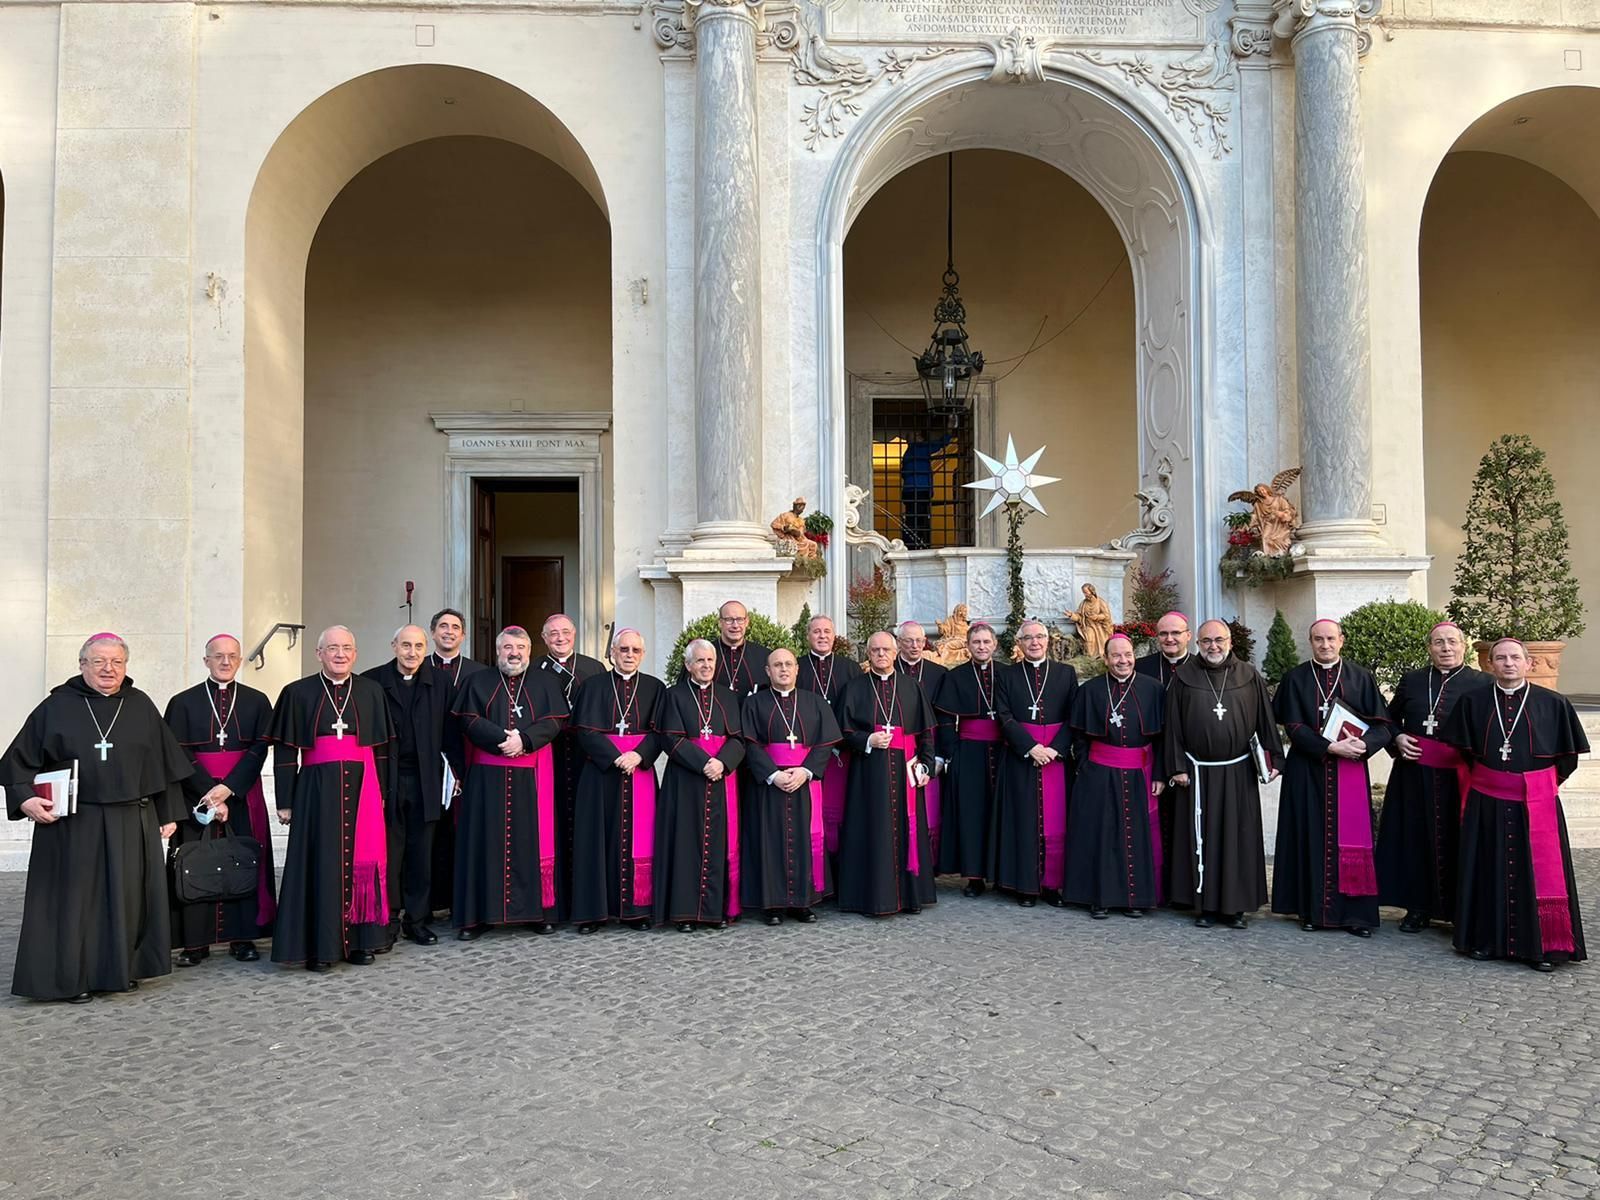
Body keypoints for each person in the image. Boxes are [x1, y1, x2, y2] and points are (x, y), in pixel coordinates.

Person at [2, 633, 191, 1003]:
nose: (109, 669)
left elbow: (163, 764)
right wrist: (25, 799)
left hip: (130, 818)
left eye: (117, 662)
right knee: (75, 903)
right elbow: (17, 763)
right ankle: (72, 979)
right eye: (99, 661)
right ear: (82, 664)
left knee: (126, 898)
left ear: (125, 666)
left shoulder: (140, 705)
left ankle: (118, 970)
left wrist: (168, 812)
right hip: (74, 822)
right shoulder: (55, 707)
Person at [1445, 637, 1588, 972]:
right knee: (1486, 867)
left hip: (1536, 801)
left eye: (1514, 657)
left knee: (1535, 873)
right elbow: (1464, 752)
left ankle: (1542, 947)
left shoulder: (1553, 704)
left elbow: (1567, 759)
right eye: (1500, 658)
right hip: (1487, 800)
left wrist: (1536, 786)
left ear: (1529, 663)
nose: (1508, 663)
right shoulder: (1473, 701)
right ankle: (1484, 941)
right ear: (1489, 664)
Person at [268, 626, 395, 971]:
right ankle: (318, 948)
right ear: (318, 653)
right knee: (318, 865)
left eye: (347, 649)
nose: (340, 654)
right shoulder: (297, 692)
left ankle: (361, 942)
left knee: (361, 864)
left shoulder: (370, 691)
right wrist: (285, 799)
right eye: (333, 648)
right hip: (315, 790)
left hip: (363, 787)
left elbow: (381, 750)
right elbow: (284, 750)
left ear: (355, 654)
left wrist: (382, 793)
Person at [1271, 619, 1393, 937]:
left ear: (1342, 640)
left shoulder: (1361, 677)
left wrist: (1364, 746)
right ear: (1310, 642)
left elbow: (1383, 726)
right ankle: (1311, 910)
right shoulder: (1296, 677)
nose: (1325, 645)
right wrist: (1329, 747)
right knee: (1308, 836)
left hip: (1349, 769)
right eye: (1318, 639)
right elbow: (1293, 726)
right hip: (1307, 770)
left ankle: (1357, 915)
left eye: (1330, 639)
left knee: (1352, 842)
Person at [451, 626, 569, 940]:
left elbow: (555, 720)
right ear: (497, 650)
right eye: (507, 647)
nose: (514, 653)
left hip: (532, 775)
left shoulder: (547, 683)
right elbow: (468, 719)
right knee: (483, 842)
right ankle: (478, 916)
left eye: (519, 647)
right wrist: (503, 740)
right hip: (487, 778)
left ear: (529, 651)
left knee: (532, 841)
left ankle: (538, 913)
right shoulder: (477, 682)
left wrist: (526, 740)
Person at [165, 634, 275, 967]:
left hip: (242, 793)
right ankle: (195, 942)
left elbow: (259, 748)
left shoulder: (257, 701)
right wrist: (210, 795)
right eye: (218, 656)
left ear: (240, 661)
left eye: (232, 656)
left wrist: (229, 790)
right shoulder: (182, 702)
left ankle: (243, 937)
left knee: (243, 860)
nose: (225, 662)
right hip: (196, 795)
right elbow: (177, 751)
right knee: (195, 862)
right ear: (206, 661)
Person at [1163, 619, 1278, 929]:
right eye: (1206, 641)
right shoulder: (1184, 677)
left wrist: (1273, 758)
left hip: (1239, 770)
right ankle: (1206, 906)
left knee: (1237, 838)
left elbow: (1265, 721)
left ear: (1230, 642)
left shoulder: (1248, 675)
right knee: (1204, 839)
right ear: (1197, 643)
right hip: (1198, 774)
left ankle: (1235, 908)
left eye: (1219, 640)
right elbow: (1172, 727)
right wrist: (1176, 767)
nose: (1213, 646)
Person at [1375, 621, 1488, 933]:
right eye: (1439, 643)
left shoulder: (1482, 683)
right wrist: (1396, 739)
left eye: (1452, 642)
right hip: (1414, 774)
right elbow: (1388, 718)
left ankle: (1459, 910)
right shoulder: (1412, 680)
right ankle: (1417, 908)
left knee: (1459, 840)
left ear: (1464, 646)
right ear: (1429, 648)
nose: (1446, 648)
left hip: (1459, 777)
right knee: (1414, 839)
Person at [362, 624, 459, 947]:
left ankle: (416, 921)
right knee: (390, 851)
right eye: (406, 645)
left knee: (422, 854)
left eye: (418, 646)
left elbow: (451, 731)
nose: (412, 653)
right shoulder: (372, 681)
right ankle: (387, 920)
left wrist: (455, 773)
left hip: (426, 779)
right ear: (393, 646)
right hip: (386, 779)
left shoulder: (441, 682)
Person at [568, 628, 665, 933]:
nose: (629, 655)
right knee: (594, 841)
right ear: (612, 653)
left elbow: (662, 732)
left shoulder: (655, 687)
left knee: (642, 839)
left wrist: (638, 755)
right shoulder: (593, 686)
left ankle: (637, 910)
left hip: (641, 774)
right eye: (623, 650)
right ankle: (593, 913)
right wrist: (614, 757)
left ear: (643, 655)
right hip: (600, 776)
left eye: (635, 651)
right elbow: (583, 731)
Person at [834, 632, 938, 916]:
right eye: (875, 650)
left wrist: (926, 766)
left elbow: (927, 733)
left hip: (905, 771)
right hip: (868, 775)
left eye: (886, 650)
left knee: (908, 829)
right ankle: (872, 898)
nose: (881, 654)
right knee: (870, 829)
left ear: (895, 653)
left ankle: (910, 896)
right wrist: (867, 740)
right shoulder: (854, 688)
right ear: (867, 654)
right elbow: (842, 733)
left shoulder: (912, 687)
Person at [1065, 633, 1166, 918]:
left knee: (1136, 836)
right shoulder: (1091, 690)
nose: (1123, 660)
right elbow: (1079, 736)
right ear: (1106, 659)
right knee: (1101, 835)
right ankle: (1100, 898)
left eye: (1128, 654)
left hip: (1139, 774)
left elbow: (1161, 738)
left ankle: (1135, 900)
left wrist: (1159, 773)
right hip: (1099, 774)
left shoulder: (1153, 689)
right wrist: (1085, 766)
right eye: (1116, 655)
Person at [740, 649, 842, 925]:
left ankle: (802, 902)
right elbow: (749, 743)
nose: (783, 669)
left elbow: (826, 742)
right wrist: (773, 774)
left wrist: (806, 771)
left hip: (804, 783)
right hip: (769, 785)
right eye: (777, 665)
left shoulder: (815, 702)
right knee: (769, 840)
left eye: (788, 664)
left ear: (797, 669)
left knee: (805, 840)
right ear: (767, 671)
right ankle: (772, 904)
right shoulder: (754, 704)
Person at [651, 639, 746, 931]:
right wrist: (704, 763)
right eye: (700, 661)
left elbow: (739, 739)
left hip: (720, 779)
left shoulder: (728, 697)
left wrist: (723, 763)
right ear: (688, 665)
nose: (706, 666)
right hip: (685, 779)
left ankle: (713, 911)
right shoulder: (674, 695)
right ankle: (684, 914)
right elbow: (670, 737)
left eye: (710, 661)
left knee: (718, 845)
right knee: (685, 844)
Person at [993, 619, 1077, 907]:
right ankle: (1025, 886)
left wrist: (1054, 749)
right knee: (1022, 820)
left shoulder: (1066, 674)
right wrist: (1030, 748)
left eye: (1040, 637)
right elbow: (1003, 716)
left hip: (1054, 758)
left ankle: (1052, 885)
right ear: (1019, 644)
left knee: (1055, 823)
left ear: (1048, 640)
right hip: (1021, 758)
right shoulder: (1007, 675)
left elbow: (1073, 717)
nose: (1035, 642)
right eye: (1028, 638)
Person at [538, 613, 605, 922]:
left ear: (575, 635)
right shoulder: (534, 669)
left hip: (583, 757)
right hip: (547, 755)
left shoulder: (593, 668)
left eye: (565, 632)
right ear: (544, 638)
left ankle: (584, 899)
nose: (560, 638)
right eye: (553, 633)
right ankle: (553, 901)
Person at [932, 621, 1005, 896]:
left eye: (986, 642)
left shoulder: (1008, 675)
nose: (982, 647)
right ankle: (974, 877)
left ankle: (999, 873)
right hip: (970, 753)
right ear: (968, 645)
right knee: (972, 815)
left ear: (994, 645)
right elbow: (946, 720)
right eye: (977, 642)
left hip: (1003, 752)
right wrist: (951, 754)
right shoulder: (955, 677)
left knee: (1001, 813)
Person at [426, 607, 485, 915]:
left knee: (464, 829)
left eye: (455, 627)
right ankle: (431, 900)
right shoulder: (420, 668)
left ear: (464, 635)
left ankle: (461, 899)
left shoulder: (479, 673)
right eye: (443, 626)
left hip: (468, 757)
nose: (449, 632)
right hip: (429, 758)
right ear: (433, 632)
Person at [1136, 610, 1192, 892]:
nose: (1169, 639)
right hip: (1153, 757)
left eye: (1175, 633)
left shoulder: (1201, 667)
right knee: (1155, 823)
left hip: (1190, 760)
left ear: (1188, 636)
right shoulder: (1142, 667)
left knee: (1186, 825)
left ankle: (1183, 888)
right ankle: (1158, 885)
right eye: (1163, 634)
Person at [797, 614, 854, 866]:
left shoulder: (850, 668)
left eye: (826, 632)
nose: (822, 636)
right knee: (811, 815)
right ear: (807, 636)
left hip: (842, 752)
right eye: (816, 631)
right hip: (807, 752)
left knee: (841, 812)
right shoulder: (796, 667)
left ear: (834, 636)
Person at [896, 620, 950, 863]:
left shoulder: (938, 674)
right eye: (909, 640)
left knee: (929, 811)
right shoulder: (889, 671)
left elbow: (946, 719)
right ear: (898, 643)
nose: (915, 645)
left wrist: (939, 757)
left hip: (930, 750)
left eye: (920, 640)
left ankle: (928, 866)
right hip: (897, 752)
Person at [714, 600, 770, 696]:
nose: (735, 625)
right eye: (729, 620)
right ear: (720, 623)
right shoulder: (704, 654)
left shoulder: (764, 655)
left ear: (747, 622)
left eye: (740, 619)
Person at [1066, 583, 1115, 661]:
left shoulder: (1100, 602)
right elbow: (1079, 617)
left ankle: (1099, 657)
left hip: (1099, 627)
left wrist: (1097, 617)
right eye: (1084, 593)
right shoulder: (1083, 603)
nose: (1085, 595)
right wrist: (1071, 615)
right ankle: (1090, 659)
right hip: (1088, 626)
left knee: (1102, 645)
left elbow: (1107, 615)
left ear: (1092, 591)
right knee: (1089, 640)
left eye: (1086, 592)